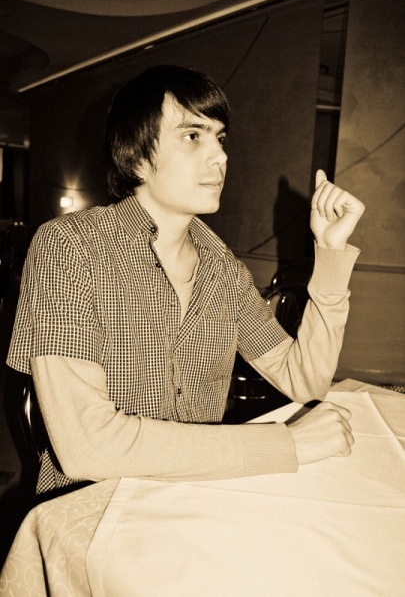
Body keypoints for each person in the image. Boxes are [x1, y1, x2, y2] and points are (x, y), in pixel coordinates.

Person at [7, 65, 365, 496]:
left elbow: (305, 380)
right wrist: (286, 444)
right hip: (92, 503)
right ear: (137, 155)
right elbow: (87, 446)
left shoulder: (224, 270)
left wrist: (330, 252)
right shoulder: (71, 247)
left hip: (196, 495)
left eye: (220, 138)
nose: (220, 156)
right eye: (193, 135)